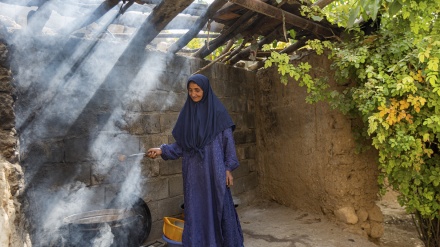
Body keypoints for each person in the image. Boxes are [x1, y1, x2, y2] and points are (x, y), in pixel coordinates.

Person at [146, 74, 244, 247]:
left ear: (205, 90)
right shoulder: (187, 115)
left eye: (197, 90)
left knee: (220, 207)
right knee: (197, 210)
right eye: (190, 90)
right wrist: (162, 150)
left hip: (215, 171)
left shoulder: (218, 114)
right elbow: (181, 146)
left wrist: (228, 168)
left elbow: (228, 143)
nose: (193, 94)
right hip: (194, 174)